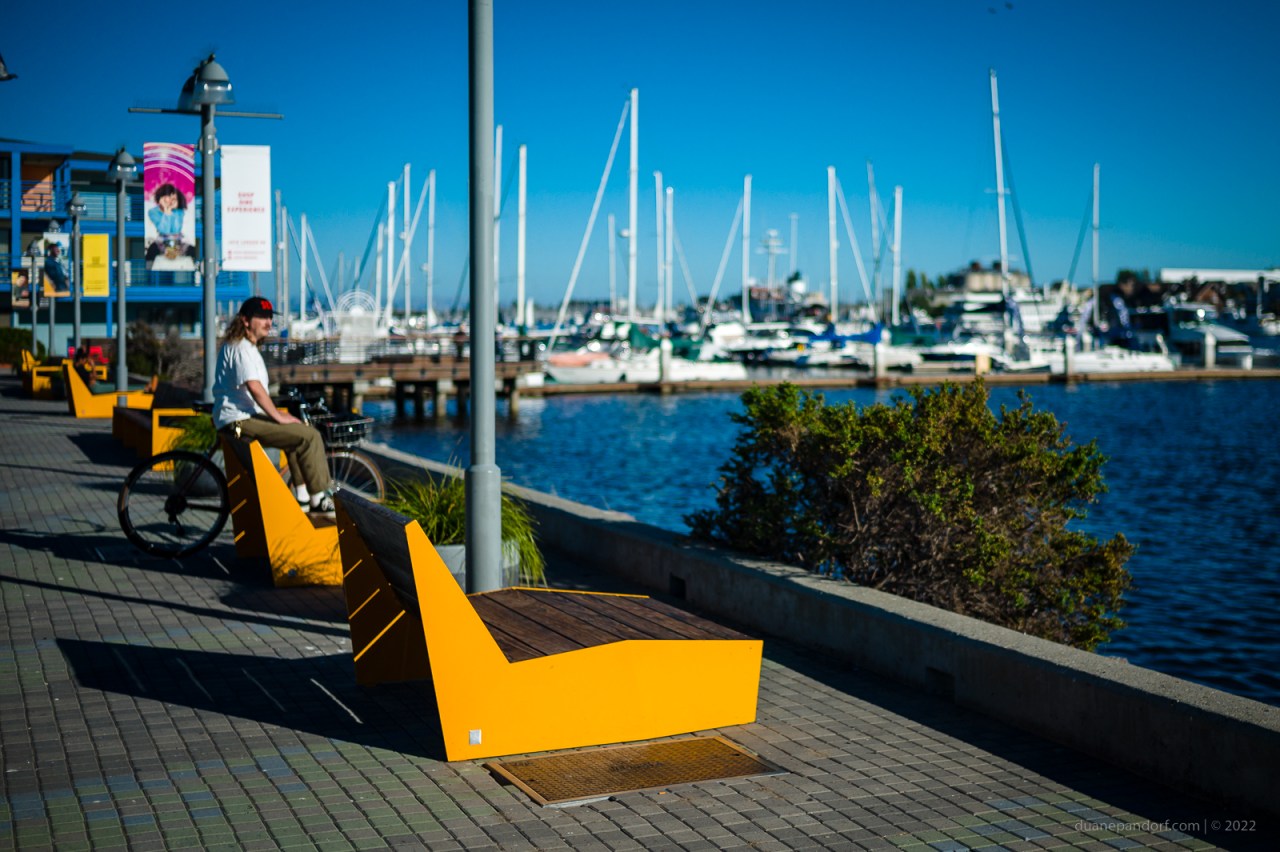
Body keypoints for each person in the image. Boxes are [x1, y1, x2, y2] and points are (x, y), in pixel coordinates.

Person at [212, 297, 336, 515]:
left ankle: (303, 499)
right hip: (238, 422)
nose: (268, 322)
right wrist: (277, 416)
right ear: (246, 320)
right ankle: (319, 498)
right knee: (310, 437)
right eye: (261, 317)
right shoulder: (241, 348)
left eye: (270, 317)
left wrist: (277, 415)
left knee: (295, 437)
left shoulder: (244, 346)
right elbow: (254, 387)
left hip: (239, 417)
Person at [144, 183, 197, 262]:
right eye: (167, 196)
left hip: (178, 239)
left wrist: (170, 210)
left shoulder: (179, 212)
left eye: (173, 198)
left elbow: (176, 229)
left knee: (190, 250)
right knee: (152, 251)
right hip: (161, 240)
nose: (169, 200)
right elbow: (164, 230)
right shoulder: (153, 212)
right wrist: (166, 211)